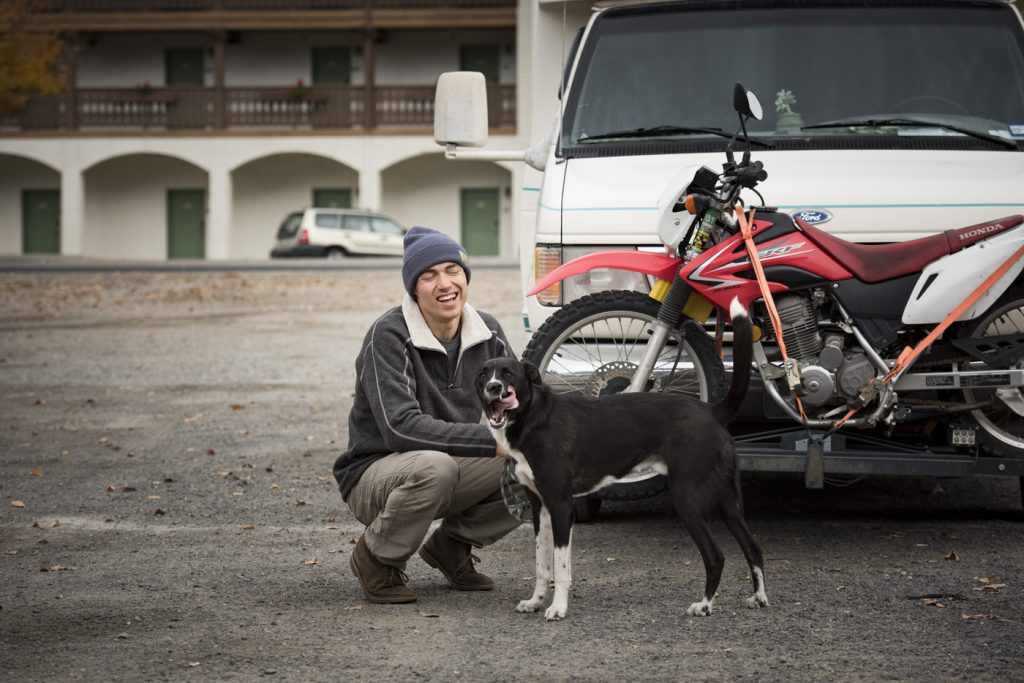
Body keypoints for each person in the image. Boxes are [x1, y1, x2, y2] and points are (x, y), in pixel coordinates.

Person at [333, 226, 521, 604]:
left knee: (534, 459)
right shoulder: (388, 335)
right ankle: (375, 558)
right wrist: (491, 441)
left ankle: (451, 546)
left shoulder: (488, 333)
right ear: (413, 288)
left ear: (465, 277)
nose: (444, 283)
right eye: (429, 275)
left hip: (444, 467)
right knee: (436, 467)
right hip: (377, 476)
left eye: (452, 270)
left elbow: (522, 405)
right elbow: (399, 428)